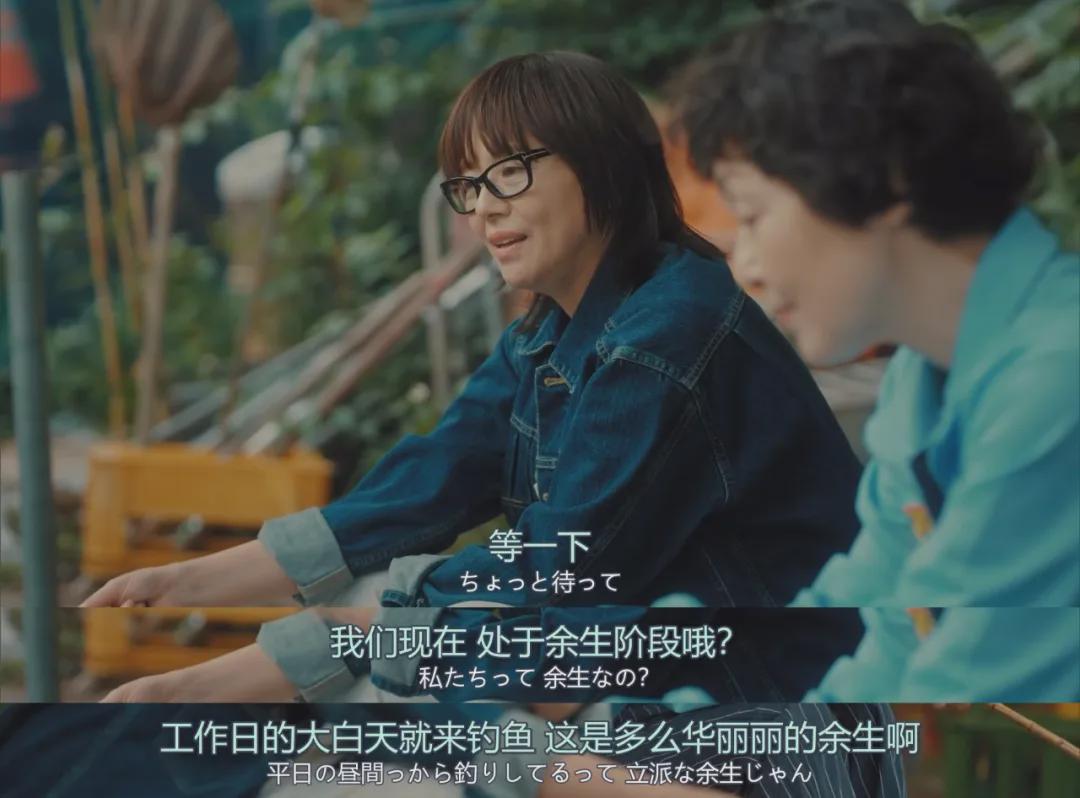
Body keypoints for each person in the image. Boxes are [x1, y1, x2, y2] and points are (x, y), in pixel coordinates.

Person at [83, 50, 865, 704]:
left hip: (766, 702)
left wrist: (311, 649)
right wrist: (194, 581)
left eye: (510, 171)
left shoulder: (668, 335)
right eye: (468, 184)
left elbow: (561, 566)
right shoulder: (551, 329)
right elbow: (436, 475)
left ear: (605, 165)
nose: (484, 208)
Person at [676, 0, 1079, 701]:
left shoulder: (1054, 382)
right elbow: (879, 626)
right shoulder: (921, 381)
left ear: (887, 176)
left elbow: (948, 699)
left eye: (753, 216)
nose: (745, 267)